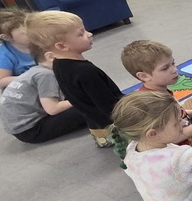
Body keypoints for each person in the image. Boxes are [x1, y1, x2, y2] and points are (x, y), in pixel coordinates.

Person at [25, 10, 123, 148]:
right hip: (113, 127)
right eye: (81, 33)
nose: (89, 34)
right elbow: (109, 106)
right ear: (62, 46)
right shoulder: (85, 72)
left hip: (96, 124)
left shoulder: (58, 64)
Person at [120, 40, 192, 147]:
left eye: (173, 63)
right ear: (144, 76)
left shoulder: (159, 90)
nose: (174, 70)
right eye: (165, 68)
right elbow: (175, 137)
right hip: (180, 142)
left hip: (179, 124)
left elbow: (178, 112)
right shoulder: (154, 104)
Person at [0, 43, 85, 143]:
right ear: (51, 57)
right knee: (88, 107)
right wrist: (80, 100)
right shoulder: (46, 75)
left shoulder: (36, 70)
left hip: (19, 127)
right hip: (31, 130)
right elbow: (53, 109)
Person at [0, 9, 35, 89]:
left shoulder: (39, 41)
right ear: (7, 37)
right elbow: (1, 81)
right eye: (25, 33)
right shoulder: (3, 55)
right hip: (24, 89)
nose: (33, 33)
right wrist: (29, 78)